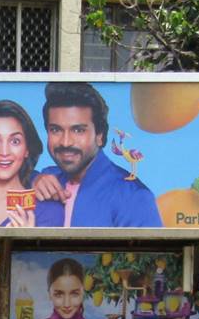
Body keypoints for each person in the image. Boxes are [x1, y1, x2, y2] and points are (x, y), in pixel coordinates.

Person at [31, 82, 162, 228]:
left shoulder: (132, 196)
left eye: (78, 130)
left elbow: (148, 251)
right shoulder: (47, 178)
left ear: (99, 135)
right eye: (56, 130)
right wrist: (34, 181)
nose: (66, 142)